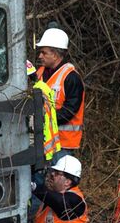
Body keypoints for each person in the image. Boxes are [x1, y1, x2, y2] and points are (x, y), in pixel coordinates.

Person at [34, 22, 85, 154]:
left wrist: (40, 119)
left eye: (44, 53)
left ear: (55, 54)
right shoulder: (39, 73)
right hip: (42, 140)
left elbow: (69, 111)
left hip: (63, 144)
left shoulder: (71, 78)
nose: (40, 56)